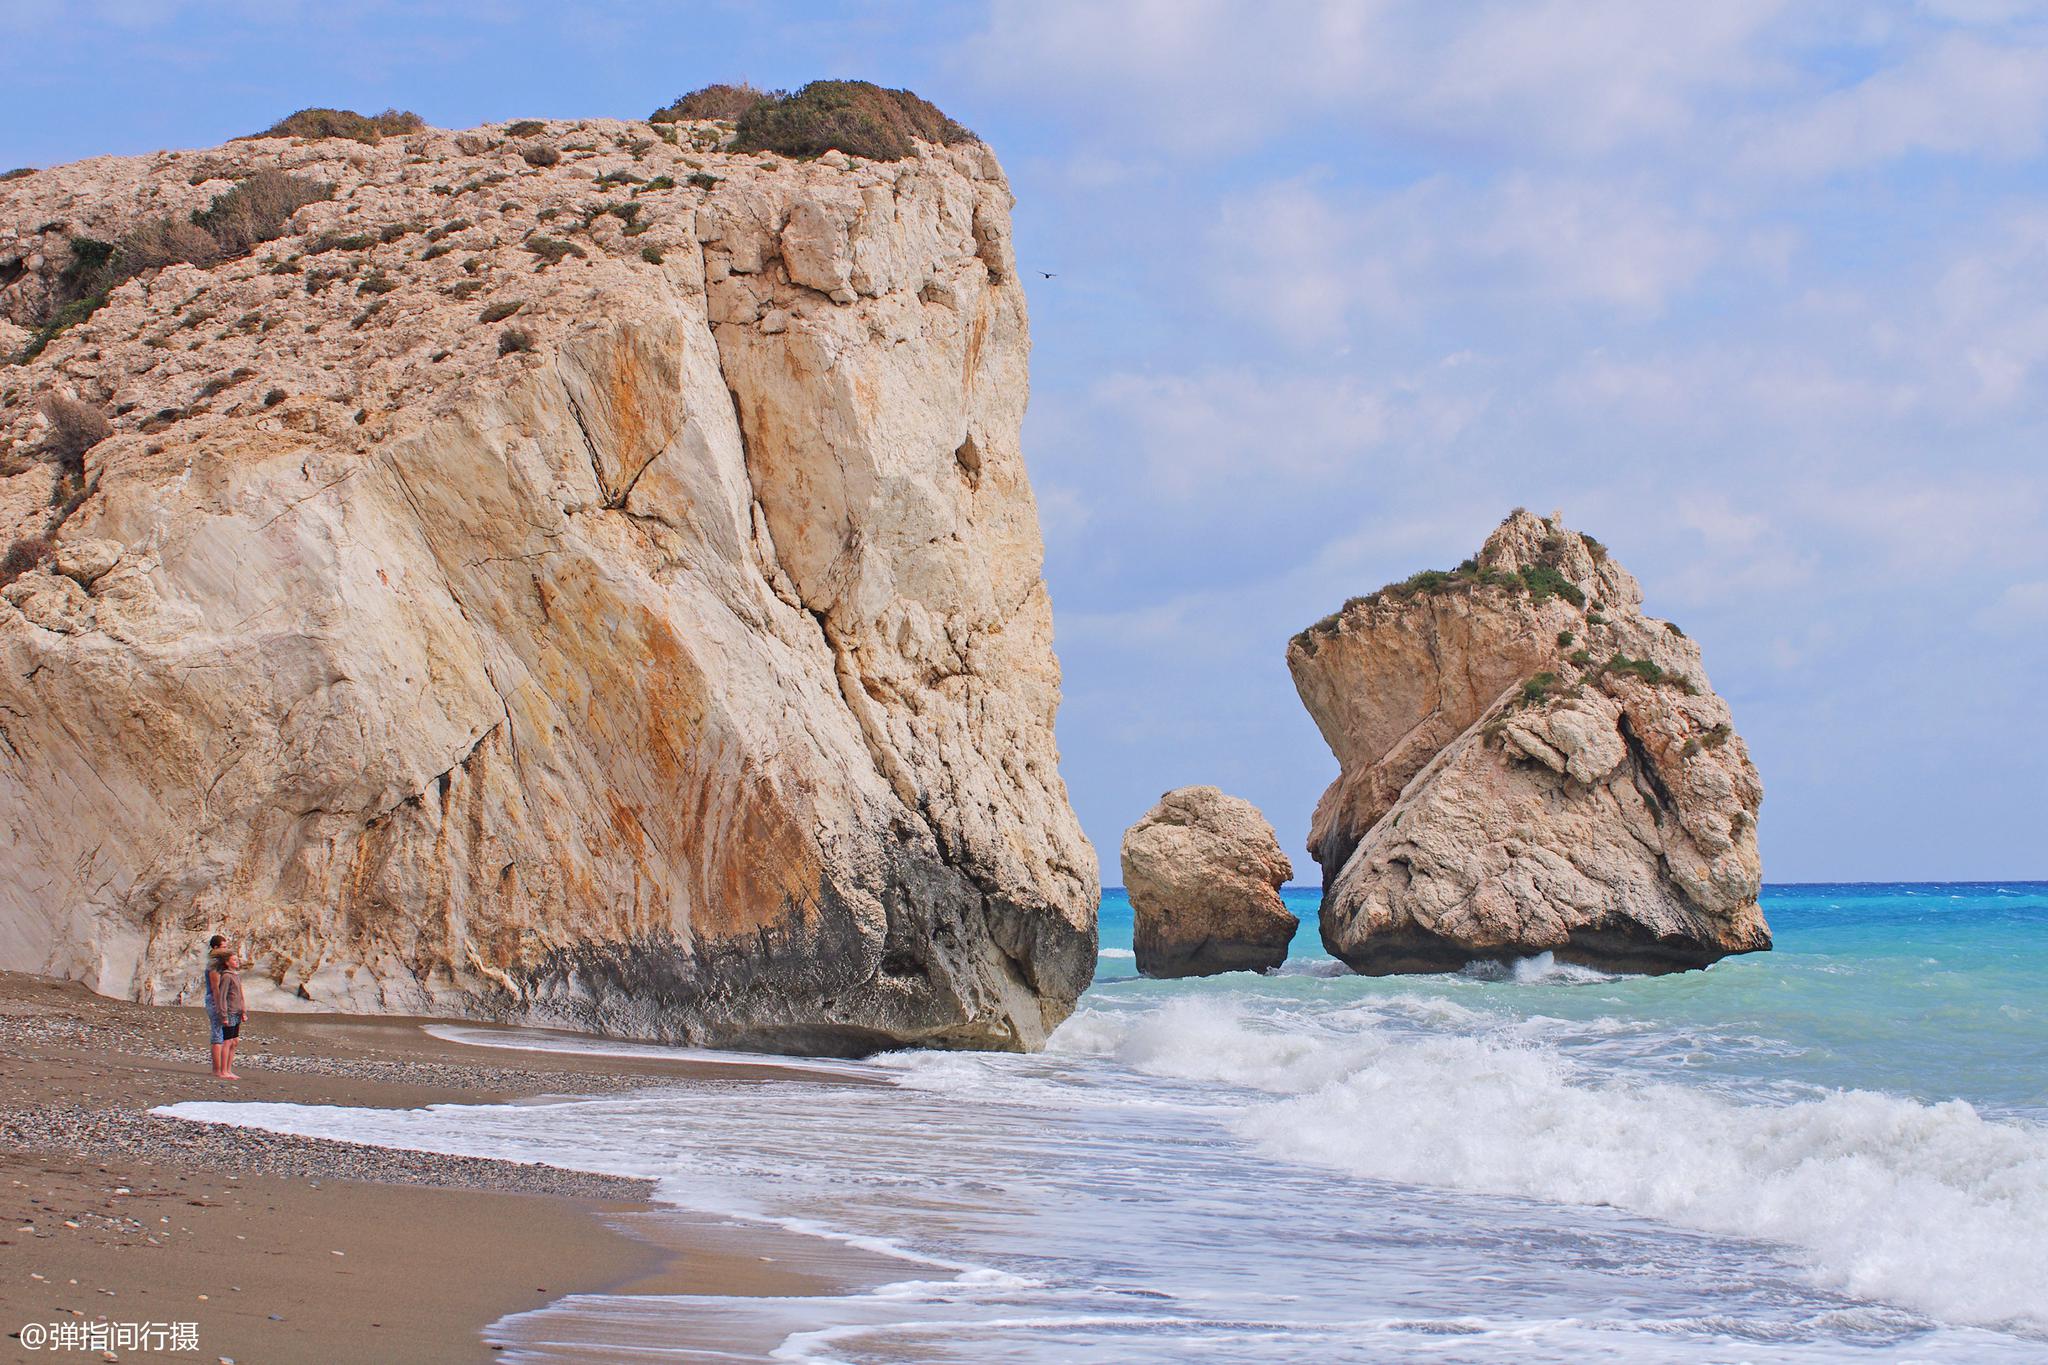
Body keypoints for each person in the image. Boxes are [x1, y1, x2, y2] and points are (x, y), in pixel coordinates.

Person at [214, 950, 248, 1080]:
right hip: (229, 1012)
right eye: (234, 960)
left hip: (237, 1012)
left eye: (237, 959)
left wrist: (244, 1011)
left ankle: (228, 1069)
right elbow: (222, 996)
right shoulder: (226, 976)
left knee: (234, 1041)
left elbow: (240, 995)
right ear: (227, 963)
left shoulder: (236, 976)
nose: (237, 961)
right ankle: (223, 1071)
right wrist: (223, 1015)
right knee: (227, 1042)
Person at [203, 935, 228, 1078]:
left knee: (223, 1034)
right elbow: (215, 987)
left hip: (218, 1000)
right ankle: (217, 1070)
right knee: (217, 1034)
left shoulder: (217, 963)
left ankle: (222, 1069)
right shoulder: (213, 964)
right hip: (214, 1000)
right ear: (215, 948)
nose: (226, 950)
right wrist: (220, 1006)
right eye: (223, 947)